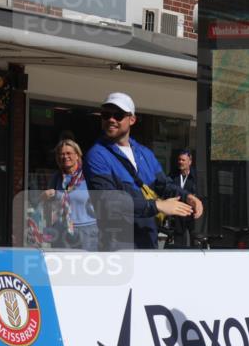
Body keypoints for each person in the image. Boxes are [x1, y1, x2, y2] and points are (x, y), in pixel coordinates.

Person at [84, 93, 203, 249]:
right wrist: (157, 206)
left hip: (147, 241)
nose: (111, 119)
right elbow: (108, 201)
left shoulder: (144, 153)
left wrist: (189, 197)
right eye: (106, 115)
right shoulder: (97, 155)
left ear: (132, 120)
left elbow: (163, 185)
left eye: (118, 115)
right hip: (117, 247)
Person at [41, 140, 99, 251]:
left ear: (77, 155)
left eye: (69, 153)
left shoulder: (89, 175)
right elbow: (48, 204)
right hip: (62, 230)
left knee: (86, 266)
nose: (65, 156)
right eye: (61, 154)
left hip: (86, 230)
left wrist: (58, 195)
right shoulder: (56, 177)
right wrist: (44, 197)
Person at [168, 149, 198, 247]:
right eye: (179, 160)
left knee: (194, 239)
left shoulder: (196, 177)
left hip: (191, 214)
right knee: (178, 241)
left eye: (183, 160)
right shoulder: (172, 175)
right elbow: (167, 190)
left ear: (190, 162)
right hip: (177, 214)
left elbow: (199, 195)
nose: (180, 162)